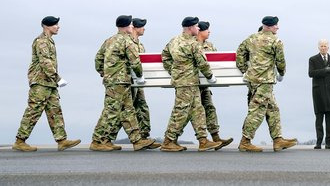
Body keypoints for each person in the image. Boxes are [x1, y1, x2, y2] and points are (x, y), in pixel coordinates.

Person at [13, 16, 81, 152]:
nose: (58, 26)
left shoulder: (49, 41)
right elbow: (45, 62)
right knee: (33, 111)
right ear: (47, 26)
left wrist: (54, 80)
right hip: (40, 83)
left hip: (49, 83)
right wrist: (58, 78)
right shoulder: (42, 41)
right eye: (55, 24)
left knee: (55, 111)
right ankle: (20, 141)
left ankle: (62, 141)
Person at [90, 15, 155, 151]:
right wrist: (140, 76)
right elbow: (135, 61)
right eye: (131, 25)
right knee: (111, 111)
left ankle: (136, 141)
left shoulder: (109, 40)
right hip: (121, 81)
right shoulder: (127, 41)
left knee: (127, 110)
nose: (132, 27)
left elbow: (98, 59)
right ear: (127, 26)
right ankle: (97, 141)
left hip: (113, 80)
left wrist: (104, 72)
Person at [159, 17, 222, 152]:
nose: (198, 29)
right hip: (188, 82)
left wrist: (174, 70)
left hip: (184, 81)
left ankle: (203, 140)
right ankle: (168, 141)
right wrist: (210, 77)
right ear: (190, 28)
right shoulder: (193, 43)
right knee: (180, 111)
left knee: (197, 110)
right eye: (196, 27)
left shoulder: (174, 41)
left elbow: (164, 56)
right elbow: (202, 62)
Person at [237, 16, 297, 152]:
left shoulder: (251, 38)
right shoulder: (276, 41)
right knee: (257, 111)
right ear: (269, 27)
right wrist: (281, 73)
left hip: (252, 80)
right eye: (276, 25)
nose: (278, 27)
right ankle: (245, 141)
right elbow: (280, 61)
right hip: (265, 81)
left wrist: (244, 70)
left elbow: (240, 52)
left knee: (273, 109)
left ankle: (278, 140)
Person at [196, 21, 233, 149]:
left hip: (205, 84)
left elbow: (216, 62)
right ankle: (171, 138)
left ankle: (215, 137)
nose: (209, 32)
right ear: (200, 31)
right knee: (191, 112)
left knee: (210, 108)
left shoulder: (210, 46)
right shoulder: (191, 44)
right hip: (192, 84)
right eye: (207, 30)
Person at [308, 39, 330, 150]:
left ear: (328, 47)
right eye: (321, 46)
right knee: (319, 118)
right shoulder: (313, 59)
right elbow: (311, 73)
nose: (323, 48)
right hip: (318, 93)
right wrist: (325, 70)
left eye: (325, 46)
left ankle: (328, 142)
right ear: (318, 47)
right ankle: (318, 142)